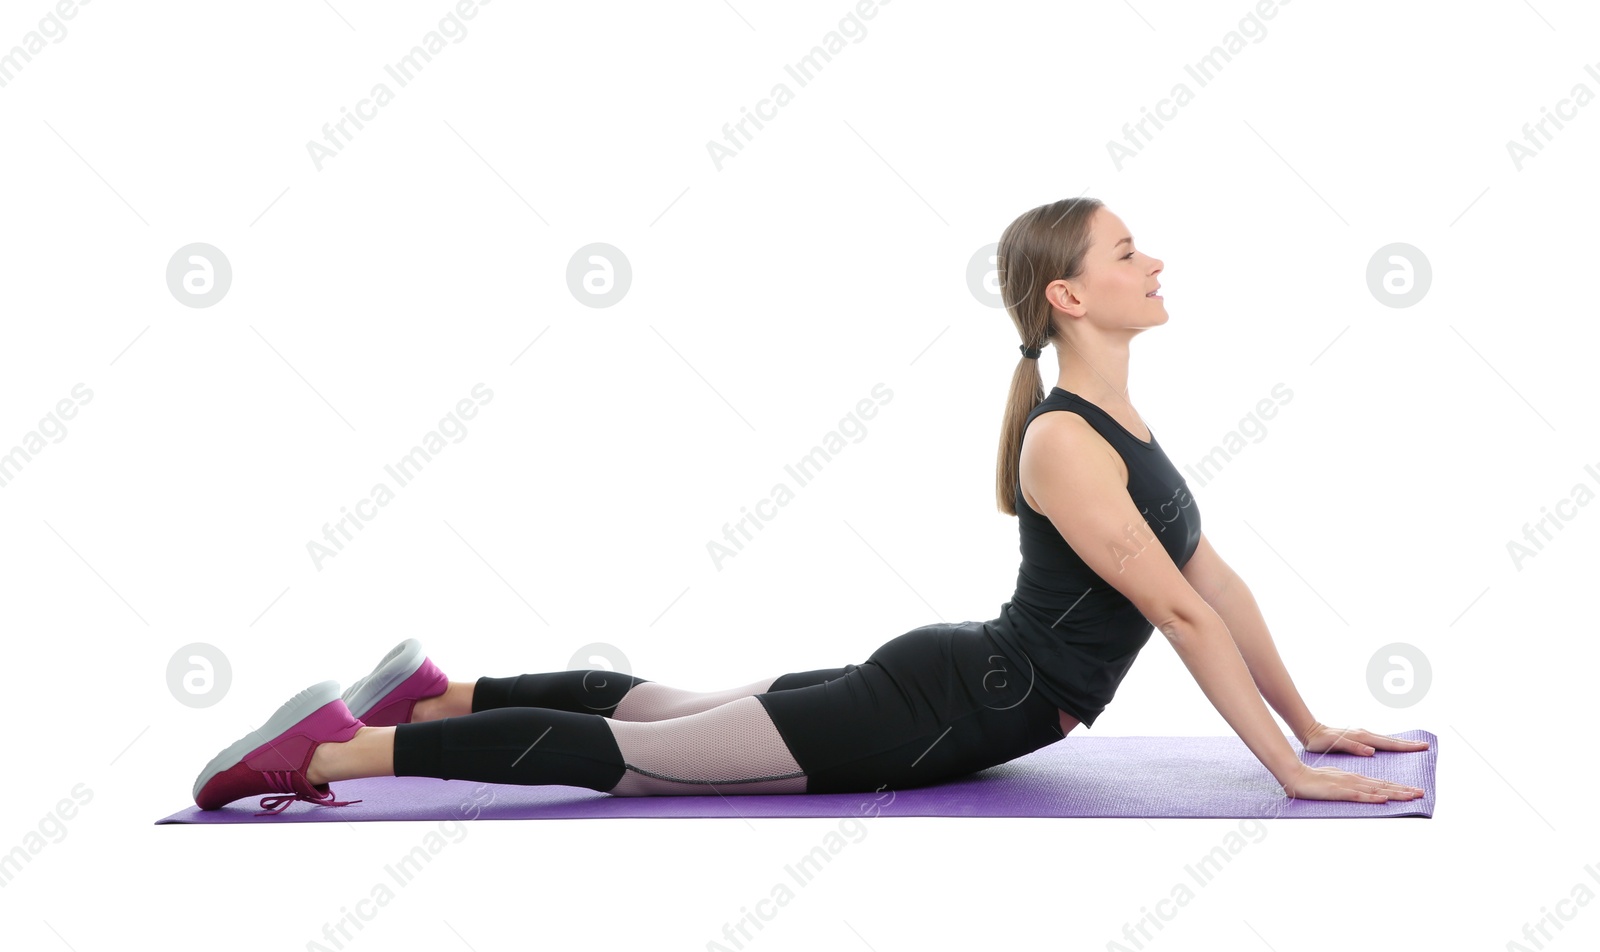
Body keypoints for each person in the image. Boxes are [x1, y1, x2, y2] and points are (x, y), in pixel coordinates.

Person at [192, 197, 1428, 815]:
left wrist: (1312, 725)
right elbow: (1178, 613)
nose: (1152, 261)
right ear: (1066, 298)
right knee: (641, 756)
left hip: (955, 684)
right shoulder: (1065, 440)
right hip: (953, 696)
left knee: (668, 707)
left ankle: (435, 695)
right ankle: (332, 750)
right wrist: (1289, 774)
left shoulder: (1122, 429)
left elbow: (1219, 589)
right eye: (1123, 252)